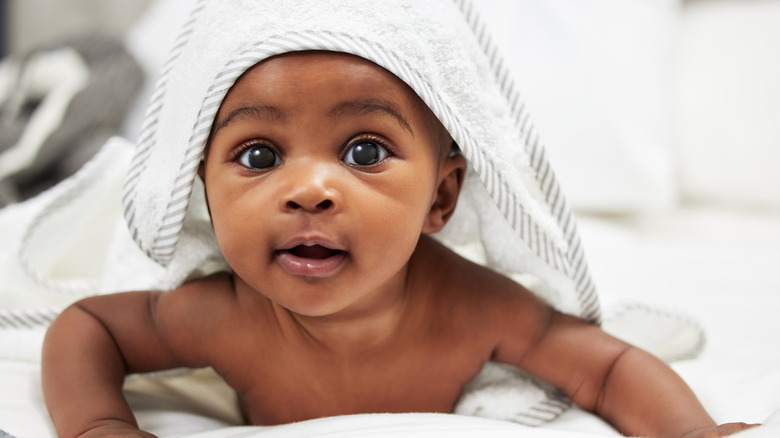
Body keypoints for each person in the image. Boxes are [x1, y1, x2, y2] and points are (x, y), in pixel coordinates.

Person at [41, 2, 756, 438]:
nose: (310, 190)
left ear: (441, 199)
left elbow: (608, 368)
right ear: (202, 189)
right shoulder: (220, 316)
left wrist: (687, 431)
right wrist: (99, 423)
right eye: (259, 155)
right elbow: (88, 327)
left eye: (364, 150)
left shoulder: (475, 309)